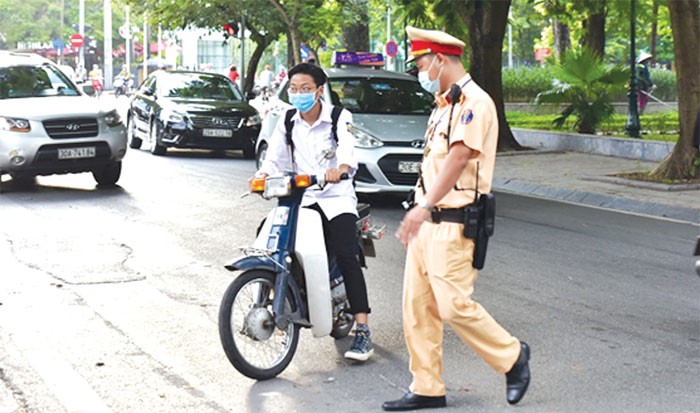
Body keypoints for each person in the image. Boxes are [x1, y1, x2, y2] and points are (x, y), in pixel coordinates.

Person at [382, 26, 531, 411]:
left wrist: (424, 206)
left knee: (452, 306)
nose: (418, 69)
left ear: (440, 59)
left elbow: (460, 157)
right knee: (417, 309)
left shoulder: (474, 102)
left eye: (420, 62)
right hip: (427, 223)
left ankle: (513, 356)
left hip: (453, 220)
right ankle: (427, 386)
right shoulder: (443, 105)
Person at [253, 63, 374, 362]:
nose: (299, 94)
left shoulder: (338, 117)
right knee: (267, 235)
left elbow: (347, 152)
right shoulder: (288, 119)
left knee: (346, 253)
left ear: (320, 90)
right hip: (301, 198)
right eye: (294, 89)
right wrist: (262, 174)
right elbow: (275, 157)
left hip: (336, 197)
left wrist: (341, 170)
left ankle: (362, 331)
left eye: (305, 89)